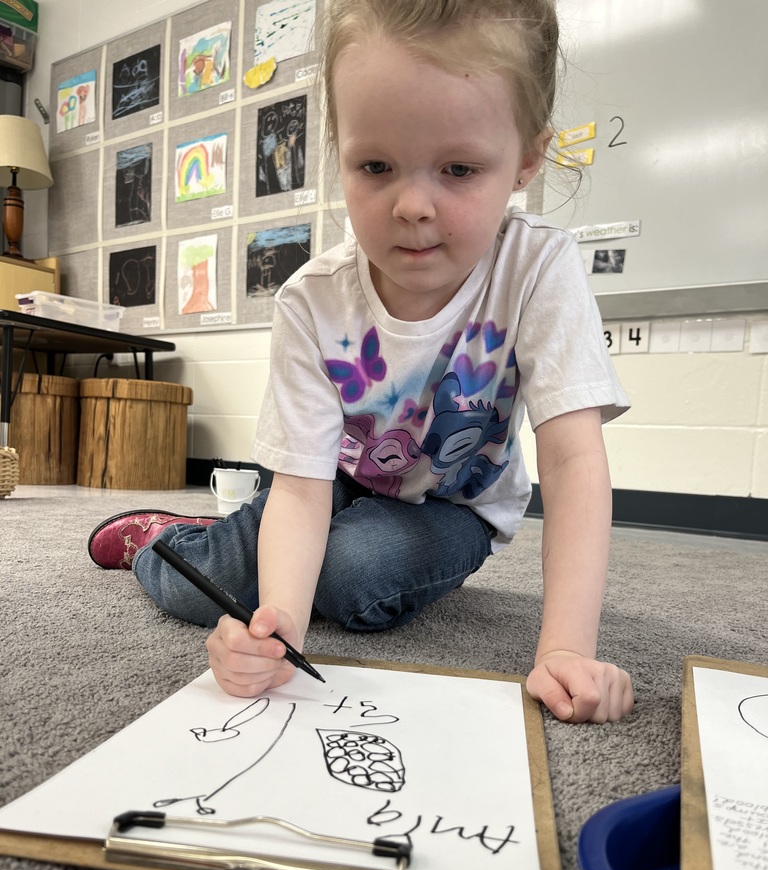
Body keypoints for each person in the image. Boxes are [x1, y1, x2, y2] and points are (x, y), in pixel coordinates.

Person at [89, 0, 633, 724]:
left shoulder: (540, 266)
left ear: (527, 160)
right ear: (338, 146)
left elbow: (572, 461)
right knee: (203, 586)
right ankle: (164, 541)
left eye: (460, 168)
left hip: (452, 507)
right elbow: (302, 491)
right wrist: (275, 624)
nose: (412, 204)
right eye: (375, 165)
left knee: (358, 572)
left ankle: (236, 543)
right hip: (332, 481)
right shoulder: (310, 302)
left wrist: (567, 646)